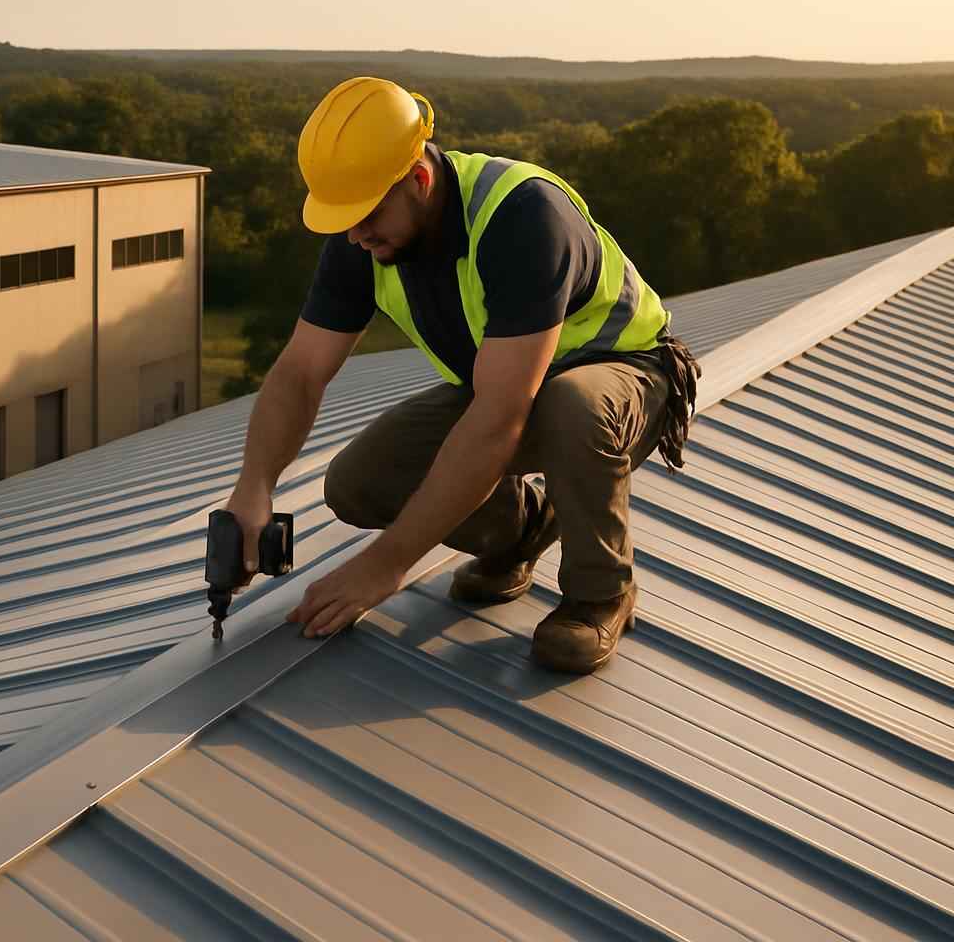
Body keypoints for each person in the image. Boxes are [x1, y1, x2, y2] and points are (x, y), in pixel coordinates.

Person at [225, 76, 700, 674]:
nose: (355, 235)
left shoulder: (523, 217)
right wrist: (255, 486)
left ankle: (601, 593)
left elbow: (500, 416)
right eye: (344, 219)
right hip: (509, 387)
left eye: (366, 214)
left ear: (419, 179)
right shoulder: (364, 234)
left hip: (624, 374)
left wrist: (386, 564)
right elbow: (299, 372)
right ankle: (522, 531)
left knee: (569, 404)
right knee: (359, 482)